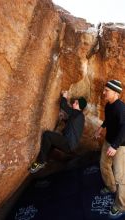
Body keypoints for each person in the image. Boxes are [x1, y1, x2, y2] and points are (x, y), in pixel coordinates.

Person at [30, 91, 87, 173]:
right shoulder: (80, 116)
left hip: (68, 144)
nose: (74, 103)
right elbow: (72, 125)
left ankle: (40, 162)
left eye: (76, 103)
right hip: (71, 146)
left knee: (47, 135)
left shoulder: (76, 113)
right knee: (51, 142)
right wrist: (64, 119)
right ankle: (45, 160)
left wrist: (64, 97)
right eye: (74, 102)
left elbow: (63, 106)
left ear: (80, 106)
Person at [94, 79, 125, 219]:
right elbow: (108, 119)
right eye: (104, 89)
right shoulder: (108, 105)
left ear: (116, 93)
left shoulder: (121, 108)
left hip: (120, 145)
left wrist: (115, 146)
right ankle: (110, 187)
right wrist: (100, 129)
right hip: (109, 141)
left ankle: (121, 205)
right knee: (104, 164)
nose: (103, 92)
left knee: (120, 176)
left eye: (107, 90)